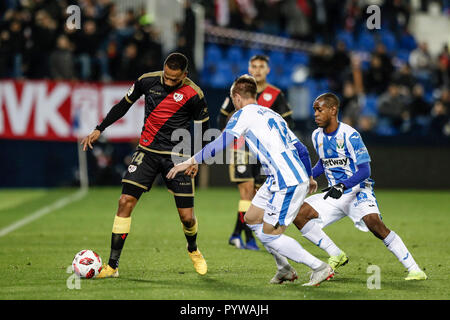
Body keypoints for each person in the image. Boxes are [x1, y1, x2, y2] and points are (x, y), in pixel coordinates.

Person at [168, 75, 334, 286]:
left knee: (270, 235)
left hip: (288, 181)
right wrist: (309, 176)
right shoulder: (272, 114)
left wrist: (191, 161)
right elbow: (301, 148)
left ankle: (319, 267)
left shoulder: (242, 114)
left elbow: (221, 142)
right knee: (252, 218)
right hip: (279, 178)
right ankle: (284, 269)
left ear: (237, 97)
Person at [81, 52, 210, 278]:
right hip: (147, 153)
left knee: (187, 217)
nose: (169, 82)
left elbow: (202, 131)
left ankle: (193, 249)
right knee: (124, 202)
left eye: (174, 79)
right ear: (163, 69)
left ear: (185, 75)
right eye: (167, 77)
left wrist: (196, 160)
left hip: (178, 157)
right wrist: (99, 128)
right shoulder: (147, 80)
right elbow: (123, 106)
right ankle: (112, 266)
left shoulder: (195, 94)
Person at [292, 93, 427, 281]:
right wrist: (306, 177)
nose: (315, 114)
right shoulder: (316, 136)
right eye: (314, 110)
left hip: (357, 190)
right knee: (298, 213)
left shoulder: (350, 135)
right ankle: (336, 254)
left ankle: (414, 269)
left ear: (333, 110)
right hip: (334, 193)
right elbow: (323, 163)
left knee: (374, 224)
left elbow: (365, 170)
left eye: (319, 110)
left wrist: (343, 185)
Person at [217, 54, 294, 250]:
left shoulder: (275, 94)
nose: (257, 70)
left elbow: (287, 122)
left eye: (261, 66)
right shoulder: (239, 91)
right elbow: (222, 117)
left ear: (268, 70)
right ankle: (249, 238)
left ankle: (236, 234)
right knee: (247, 191)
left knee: (258, 194)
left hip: (264, 152)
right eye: (254, 66)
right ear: (249, 68)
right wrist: (229, 138)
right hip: (242, 148)